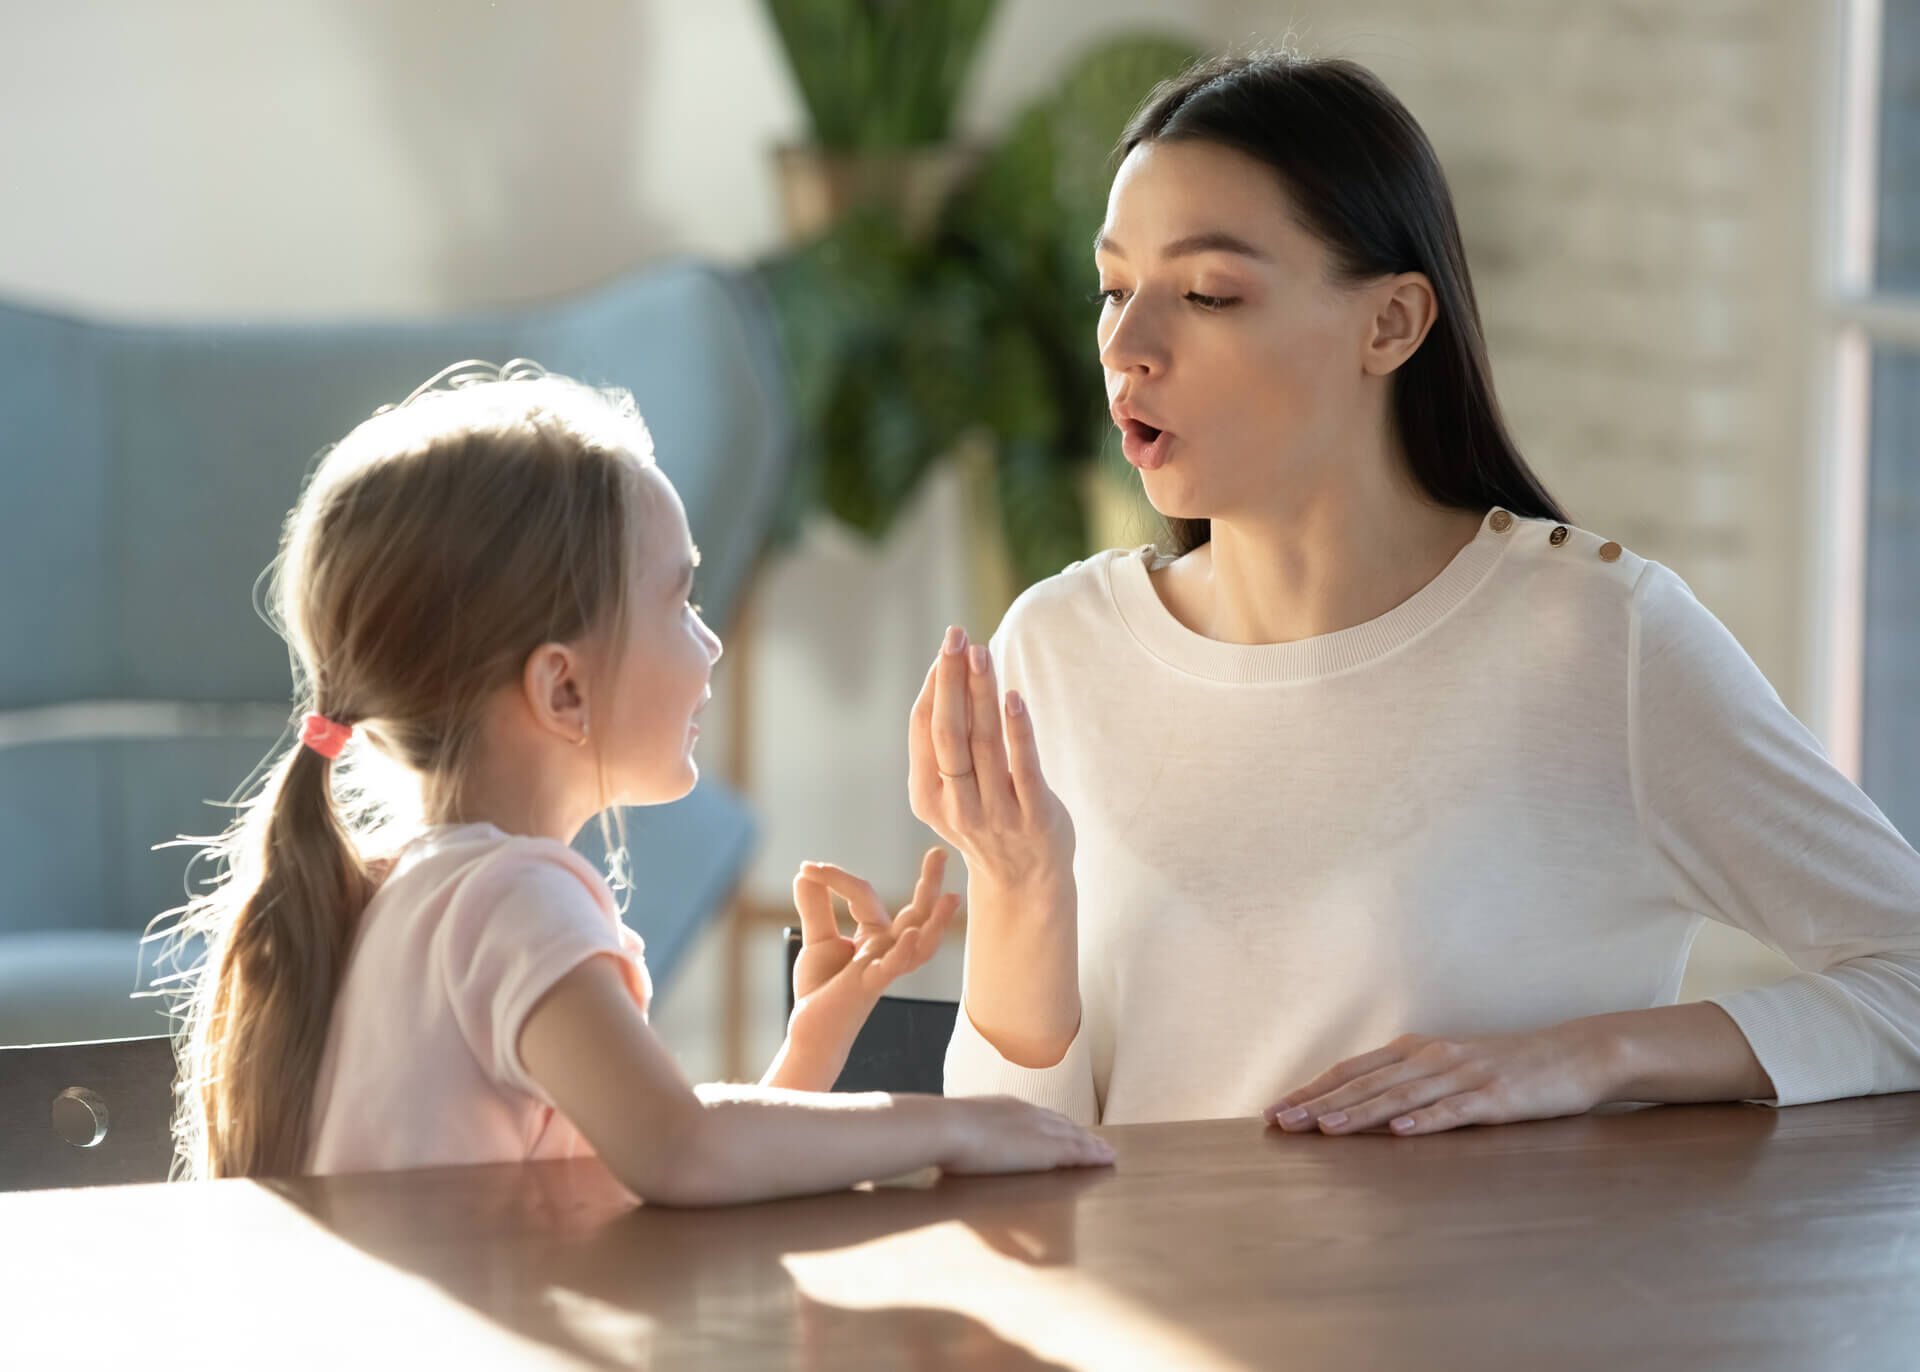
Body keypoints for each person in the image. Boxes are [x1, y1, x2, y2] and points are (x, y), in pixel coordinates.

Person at [917, 53, 1920, 1135]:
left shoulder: (1596, 640)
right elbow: (1010, 1157)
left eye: (1208, 293)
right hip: (1121, 1302)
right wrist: (1020, 892)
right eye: (1114, 290)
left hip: (1488, 1304)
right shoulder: (1058, 651)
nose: (1126, 344)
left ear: (1391, 324)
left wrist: (1598, 1057)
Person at [166, 361, 1112, 1200]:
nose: (708, 642)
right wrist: (955, 1122)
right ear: (563, 687)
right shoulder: (510, 899)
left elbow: (651, 1172)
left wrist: (815, 1043)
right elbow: (678, 1152)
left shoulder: (402, 892)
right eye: (680, 598)